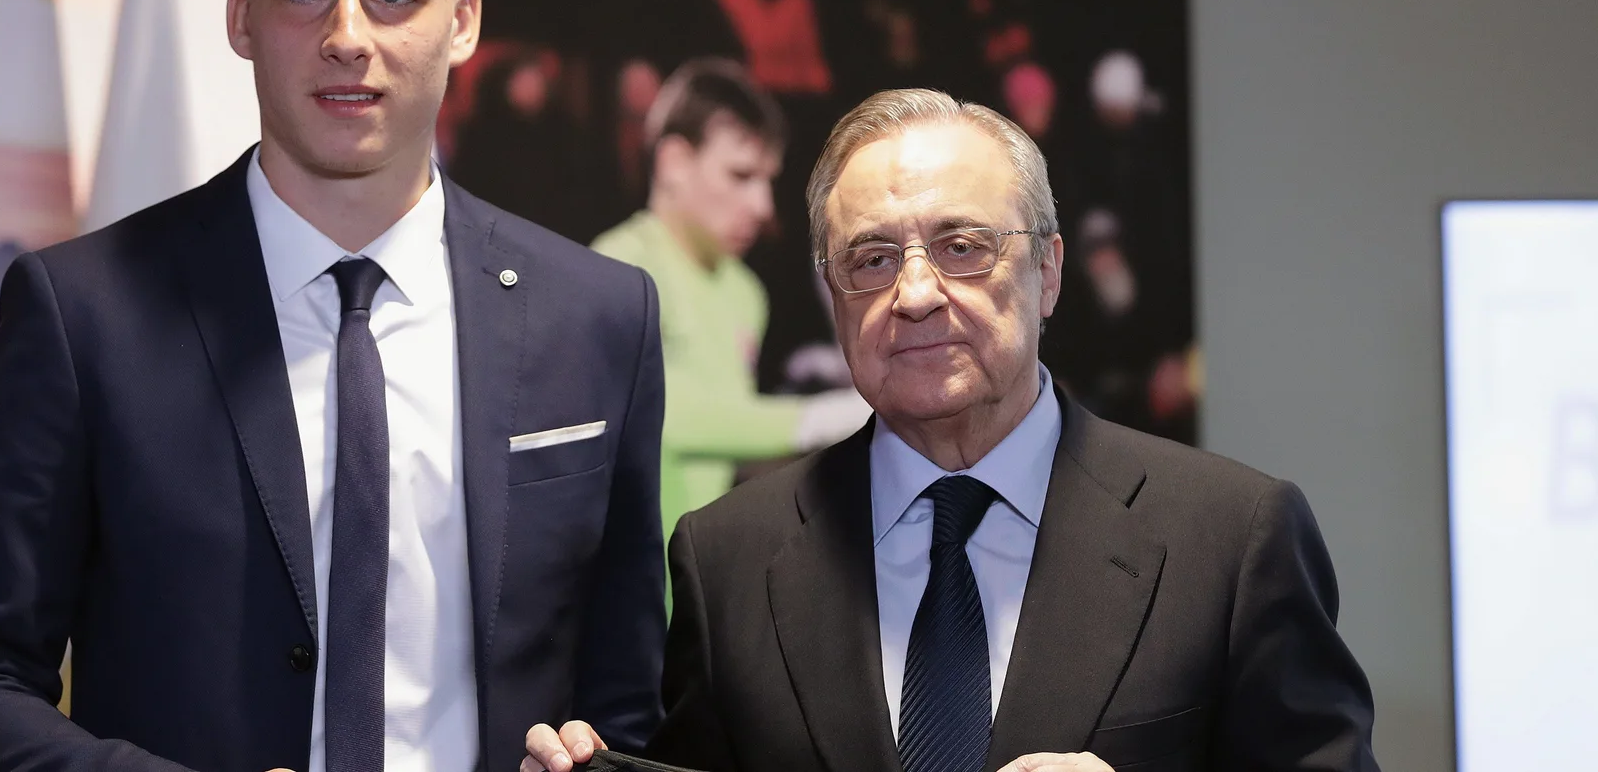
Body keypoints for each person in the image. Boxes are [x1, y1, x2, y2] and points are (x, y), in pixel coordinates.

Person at [0, 0, 667, 772]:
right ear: (241, 15)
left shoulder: (600, 316)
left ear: (463, 19)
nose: (347, 38)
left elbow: (629, 701)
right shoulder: (82, 314)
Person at [527, 90, 1378, 772]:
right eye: (871, 259)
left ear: (1047, 272)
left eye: (963, 245)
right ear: (834, 295)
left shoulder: (1231, 538)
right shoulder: (727, 561)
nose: (918, 293)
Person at [592, 60, 867, 545]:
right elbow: (655, 419)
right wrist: (829, 416)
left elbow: (728, 444)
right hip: (617, 590)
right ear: (674, 162)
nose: (763, 206)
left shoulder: (746, 292)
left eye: (767, 179)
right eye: (741, 175)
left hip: (700, 583)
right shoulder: (617, 267)